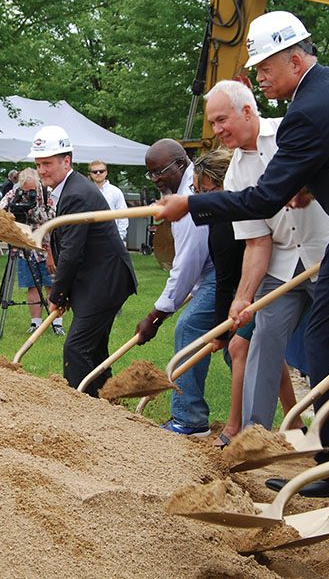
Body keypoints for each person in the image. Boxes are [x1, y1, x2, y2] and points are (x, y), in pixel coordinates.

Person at [157, 11, 329, 496]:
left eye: (264, 68)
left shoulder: (299, 117)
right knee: (288, 342)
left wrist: (191, 203)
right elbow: (262, 227)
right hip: (313, 249)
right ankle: (276, 442)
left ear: (297, 61)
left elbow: (267, 195)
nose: (259, 79)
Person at [203, 80, 329, 443]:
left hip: (328, 257)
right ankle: (253, 437)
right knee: (261, 342)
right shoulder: (234, 175)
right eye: (212, 123)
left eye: (221, 120)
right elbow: (257, 241)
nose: (217, 130)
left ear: (248, 111)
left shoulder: (292, 133)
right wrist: (243, 297)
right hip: (281, 265)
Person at [32, 126, 136, 396]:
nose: (42, 170)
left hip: (105, 281)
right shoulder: (70, 188)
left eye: (47, 163)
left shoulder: (76, 194)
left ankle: (82, 409)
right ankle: (106, 398)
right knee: (94, 346)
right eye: (38, 164)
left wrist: (58, 293)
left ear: (66, 161)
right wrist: (65, 293)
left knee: (76, 348)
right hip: (98, 279)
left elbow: (72, 251)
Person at [136, 139, 216, 436]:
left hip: (223, 270)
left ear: (181, 164)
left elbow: (185, 267)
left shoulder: (189, 201)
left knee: (190, 326)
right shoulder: (182, 194)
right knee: (239, 348)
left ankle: (189, 419)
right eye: (151, 174)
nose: (156, 179)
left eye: (161, 172)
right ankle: (249, 419)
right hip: (215, 267)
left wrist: (156, 315)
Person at [0, 168, 61, 334]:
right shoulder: (14, 193)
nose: (28, 195)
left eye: (31, 191)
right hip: (24, 247)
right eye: (25, 191)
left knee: (51, 285)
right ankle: (36, 323)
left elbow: (54, 224)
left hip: (47, 247)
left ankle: (56, 323)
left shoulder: (48, 194)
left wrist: (52, 254)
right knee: (32, 286)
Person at [88, 160, 128, 241]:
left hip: (112, 237)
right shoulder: (85, 192)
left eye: (101, 171)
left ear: (106, 172)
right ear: (90, 174)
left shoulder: (116, 192)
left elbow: (123, 215)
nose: (98, 173)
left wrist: (120, 237)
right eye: (95, 172)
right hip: (90, 238)